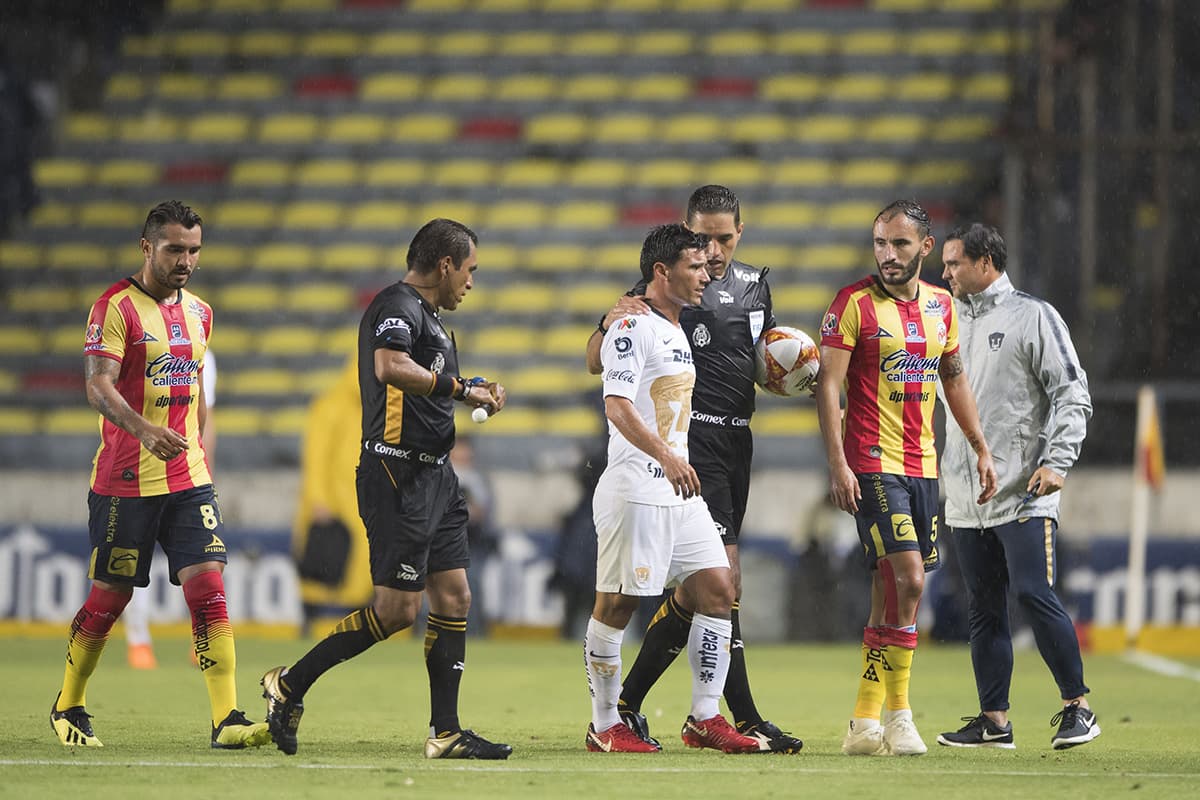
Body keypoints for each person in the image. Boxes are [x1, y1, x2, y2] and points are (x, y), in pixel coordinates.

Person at [260, 218, 512, 760]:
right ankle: (289, 683)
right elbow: (390, 366)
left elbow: (429, 389)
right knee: (396, 611)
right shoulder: (396, 305)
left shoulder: (433, 320)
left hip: (437, 477)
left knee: (455, 596)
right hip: (397, 475)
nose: (471, 281)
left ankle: (445, 732)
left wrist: (474, 389)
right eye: (469, 270)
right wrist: (462, 389)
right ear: (445, 264)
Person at [584, 185, 803, 754]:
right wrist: (608, 321)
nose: (711, 255)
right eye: (700, 244)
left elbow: (756, 362)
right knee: (626, 602)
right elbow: (608, 380)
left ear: (740, 233)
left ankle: (702, 716)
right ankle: (612, 720)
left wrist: (792, 371)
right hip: (668, 462)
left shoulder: (727, 299)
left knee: (715, 585)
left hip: (722, 453)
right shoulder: (644, 309)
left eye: (723, 240)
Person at [51, 201, 270, 749]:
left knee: (209, 588)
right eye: (175, 249)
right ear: (146, 247)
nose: (185, 261)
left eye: (194, 250)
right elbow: (97, 385)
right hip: (125, 481)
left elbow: (196, 396)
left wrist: (198, 452)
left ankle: (226, 718)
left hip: (188, 478)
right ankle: (69, 701)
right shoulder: (115, 308)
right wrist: (145, 430)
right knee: (111, 598)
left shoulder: (201, 313)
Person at [814, 199, 998, 757]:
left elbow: (954, 379)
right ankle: (900, 715)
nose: (887, 254)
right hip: (872, 461)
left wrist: (980, 447)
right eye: (880, 243)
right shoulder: (853, 304)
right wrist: (837, 462)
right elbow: (828, 385)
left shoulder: (942, 306)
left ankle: (865, 722)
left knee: (891, 590)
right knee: (912, 580)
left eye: (899, 244)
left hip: (924, 464)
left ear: (925, 247)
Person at [934, 223, 1099, 751]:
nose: (945, 272)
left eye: (954, 263)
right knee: (983, 607)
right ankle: (994, 721)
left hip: (1026, 490)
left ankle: (1079, 707)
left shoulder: (1034, 316)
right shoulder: (943, 319)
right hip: (965, 497)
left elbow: (1072, 393)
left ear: (986, 263)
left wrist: (1057, 462)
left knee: (1032, 593)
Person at [124, 348, 218, 670]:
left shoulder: (200, 349)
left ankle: (201, 638)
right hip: (140, 473)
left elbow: (205, 415)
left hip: (185, 474)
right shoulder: (135, 345)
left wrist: (205, 469)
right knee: (135, 561)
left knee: (199, 559)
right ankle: (138, 641)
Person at [292, 356, 373, 635]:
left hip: (361, 502)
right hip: (332, 502)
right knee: (322, 564)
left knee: (359, 569)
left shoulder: (373, 409)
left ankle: (355, 628)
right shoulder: (330, 406)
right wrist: (319, 500)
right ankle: (310, 622)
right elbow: (315, 457)